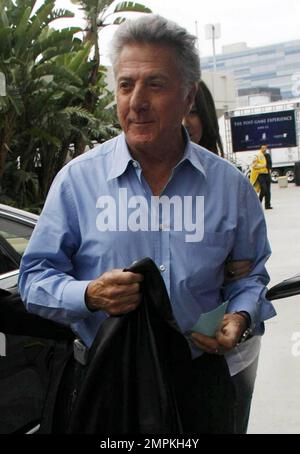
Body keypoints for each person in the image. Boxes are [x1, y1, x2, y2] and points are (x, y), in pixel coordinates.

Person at [18, 14, 276, 433]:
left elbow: (250, 276)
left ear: (189, 96)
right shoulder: (77, 182)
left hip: (198, 384)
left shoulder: (231, 188)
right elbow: (33, 279)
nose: (136, 101)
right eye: (125, 85)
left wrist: (241, 316)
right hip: (105, 385)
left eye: (154, 84)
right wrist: (89, 293)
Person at [184, 82, 262, 433]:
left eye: (192, 111)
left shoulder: (230, 182)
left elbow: (251, 269)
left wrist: (241, 311)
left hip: (227, 356)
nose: (183, 121)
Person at [250, 144, 273, 209]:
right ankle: (258, 203)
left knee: (268, 190)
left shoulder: (267, 155)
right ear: (260, 148)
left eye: (265, 148)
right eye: (263, 148)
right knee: (264, 189)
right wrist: (263, 166)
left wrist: (267, 168)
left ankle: (267, 205)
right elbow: (254, 165)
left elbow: (269, 165)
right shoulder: (257, 156)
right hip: (260, 175)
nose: (264, 149)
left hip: (267, 174)